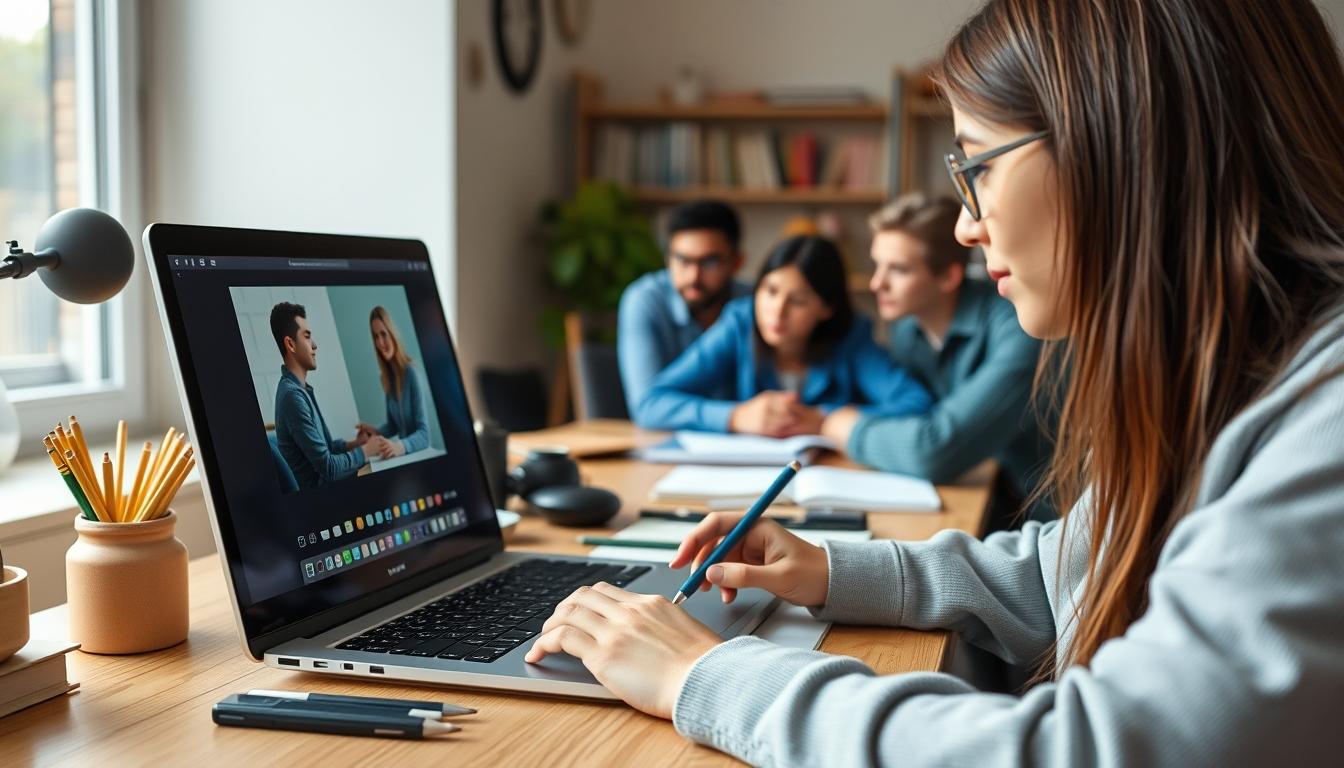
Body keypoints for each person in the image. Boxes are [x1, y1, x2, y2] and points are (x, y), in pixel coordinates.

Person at [524, 0, 1344, 764]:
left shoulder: (1326, 423)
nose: (965, 222)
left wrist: (704, 678)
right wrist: (831, 570)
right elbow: (1055, 574)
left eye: (977, 166)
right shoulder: (1235, 379)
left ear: (1123, 151)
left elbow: (1097, 748)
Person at [821, 193, 1054, 525]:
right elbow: (910, 414)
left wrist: (835, 425)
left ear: (948, 277)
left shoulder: (1019, 328)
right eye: (877, 265)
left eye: (898, 270)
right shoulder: (906, 329)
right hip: (985, 498)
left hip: (1054, 520)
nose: (876, 284)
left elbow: (934, 450)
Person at [634, 235, 931, 435]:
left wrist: (826, 419)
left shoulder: (850, 335)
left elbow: (916, 403)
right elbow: (651, 403)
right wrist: (735, 417)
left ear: (826, 308)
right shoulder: (740, 322)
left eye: (798, 300)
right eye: (770, 291)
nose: (776, 311)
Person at [617, 199, 752, 414]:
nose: (693, 276)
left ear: (736, 262)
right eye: (682, 260)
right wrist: (735, 417)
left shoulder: (751, 305)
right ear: (667, 259)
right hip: (662, 442)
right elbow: (646, 404)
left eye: (709, 262)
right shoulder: (645, 301)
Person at [271, 302, 386, 488]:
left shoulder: (302, 390)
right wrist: (365, 451)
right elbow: (329, 469)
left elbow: (328, 447)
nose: (314, 345)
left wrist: (355, 444)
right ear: (291, 344)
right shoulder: (292, 397)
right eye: (307, 337)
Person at [354, 306, 431, 459]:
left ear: (392, 334)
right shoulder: (386, 378)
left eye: (383, 334)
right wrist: (375, 432)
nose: (380, 342)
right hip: (405, 458)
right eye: (376, 337)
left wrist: (399, 446)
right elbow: (394, 425)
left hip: (419, 455)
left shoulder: (411, 374)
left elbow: (424, 434)